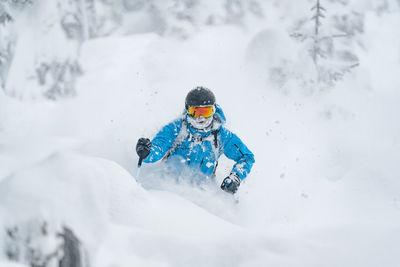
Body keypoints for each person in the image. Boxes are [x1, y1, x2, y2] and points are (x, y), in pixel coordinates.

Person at [136, 86, 254, 194]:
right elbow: (158, 149)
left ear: (213, 111)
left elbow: (247, 157)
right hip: (169, 189)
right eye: (196, 112)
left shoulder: (221, 135)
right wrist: (147, 152)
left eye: (206, 112)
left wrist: (235, 177)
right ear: (188, 110)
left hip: (202, 194)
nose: (201, 118)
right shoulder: (177, 128)